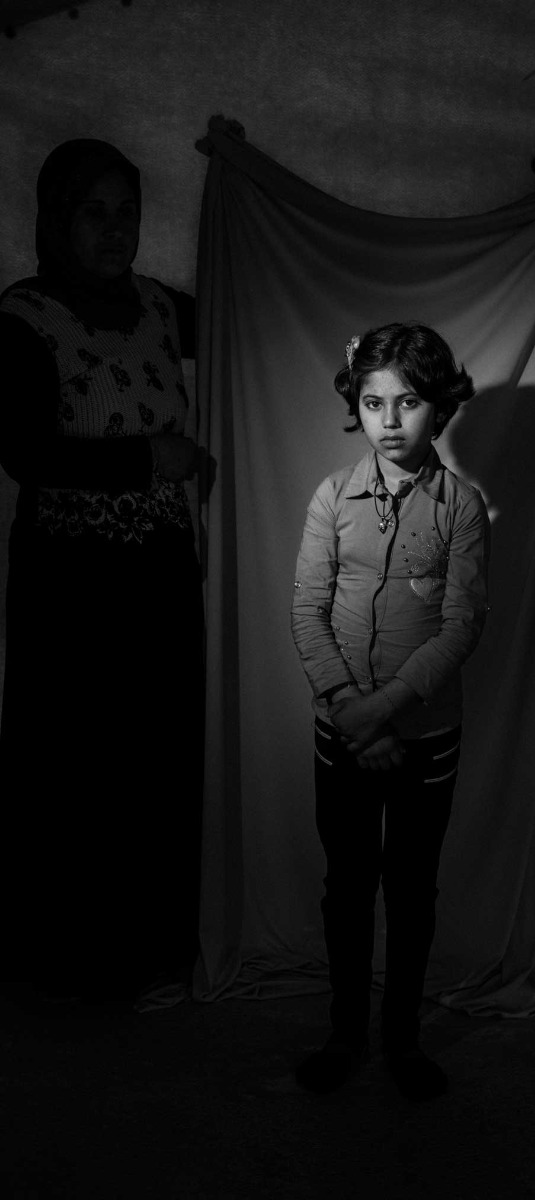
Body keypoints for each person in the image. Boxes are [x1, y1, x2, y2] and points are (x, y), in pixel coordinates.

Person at [0, 139, 205, 1006]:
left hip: (158, 572)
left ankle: (151, 949)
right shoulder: (23, 318)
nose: (116, 230)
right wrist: (149, 458)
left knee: (154, 758)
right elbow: (24, 453)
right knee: (75, 766)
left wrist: (249, 190)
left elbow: (260, 294)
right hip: (70, 582)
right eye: (96, 211)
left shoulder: (160, 308)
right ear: (56, 219)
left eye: (129, 212)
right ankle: (70, 963)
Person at [291, 322, 490, 1099]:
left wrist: (388, 710)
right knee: (347, 886)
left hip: (423, 739)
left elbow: (462, 625)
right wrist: (351, 710)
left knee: (411, 890)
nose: (391, 419)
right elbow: (308, 611)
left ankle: (402, 1038)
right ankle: (345, 1033)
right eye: (374, 402)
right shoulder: (330, 499)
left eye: (408, 402)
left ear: (438, 408)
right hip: (343, 734)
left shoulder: (461, 509)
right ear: (356, 405)